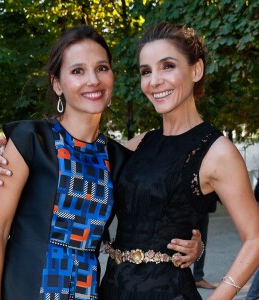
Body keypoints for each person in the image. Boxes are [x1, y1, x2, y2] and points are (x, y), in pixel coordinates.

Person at [0, 25, 202, 300]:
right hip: (24, 289)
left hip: (87, 292)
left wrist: (196, 244)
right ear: (57, 83)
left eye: (101, 68)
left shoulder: (119, 158)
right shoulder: (31, 140)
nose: (93, 80)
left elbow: (154, 213)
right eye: (77, 71)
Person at [103, 22, 259, 299]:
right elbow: (77, 168)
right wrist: (13, 155)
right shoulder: (140, 143)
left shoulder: (218, 152)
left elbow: (255, 238)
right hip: (113, 289)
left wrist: (221, 296)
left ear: (195, 70)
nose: (154, 81)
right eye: (146, 71)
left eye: (168, 66)